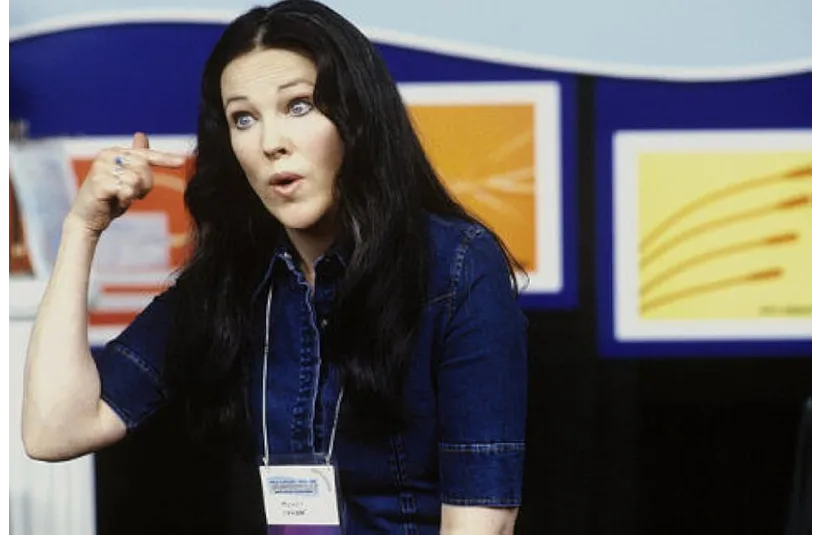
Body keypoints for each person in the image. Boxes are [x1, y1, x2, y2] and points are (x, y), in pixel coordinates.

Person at [21, 1, 529, 533]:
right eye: (244, 118)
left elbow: (482, 522)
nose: (270, 143)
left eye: (299, 106)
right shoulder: (233, 279)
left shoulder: (457, 266)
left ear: (356, 116)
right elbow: (56, 430)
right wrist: (82, 228)